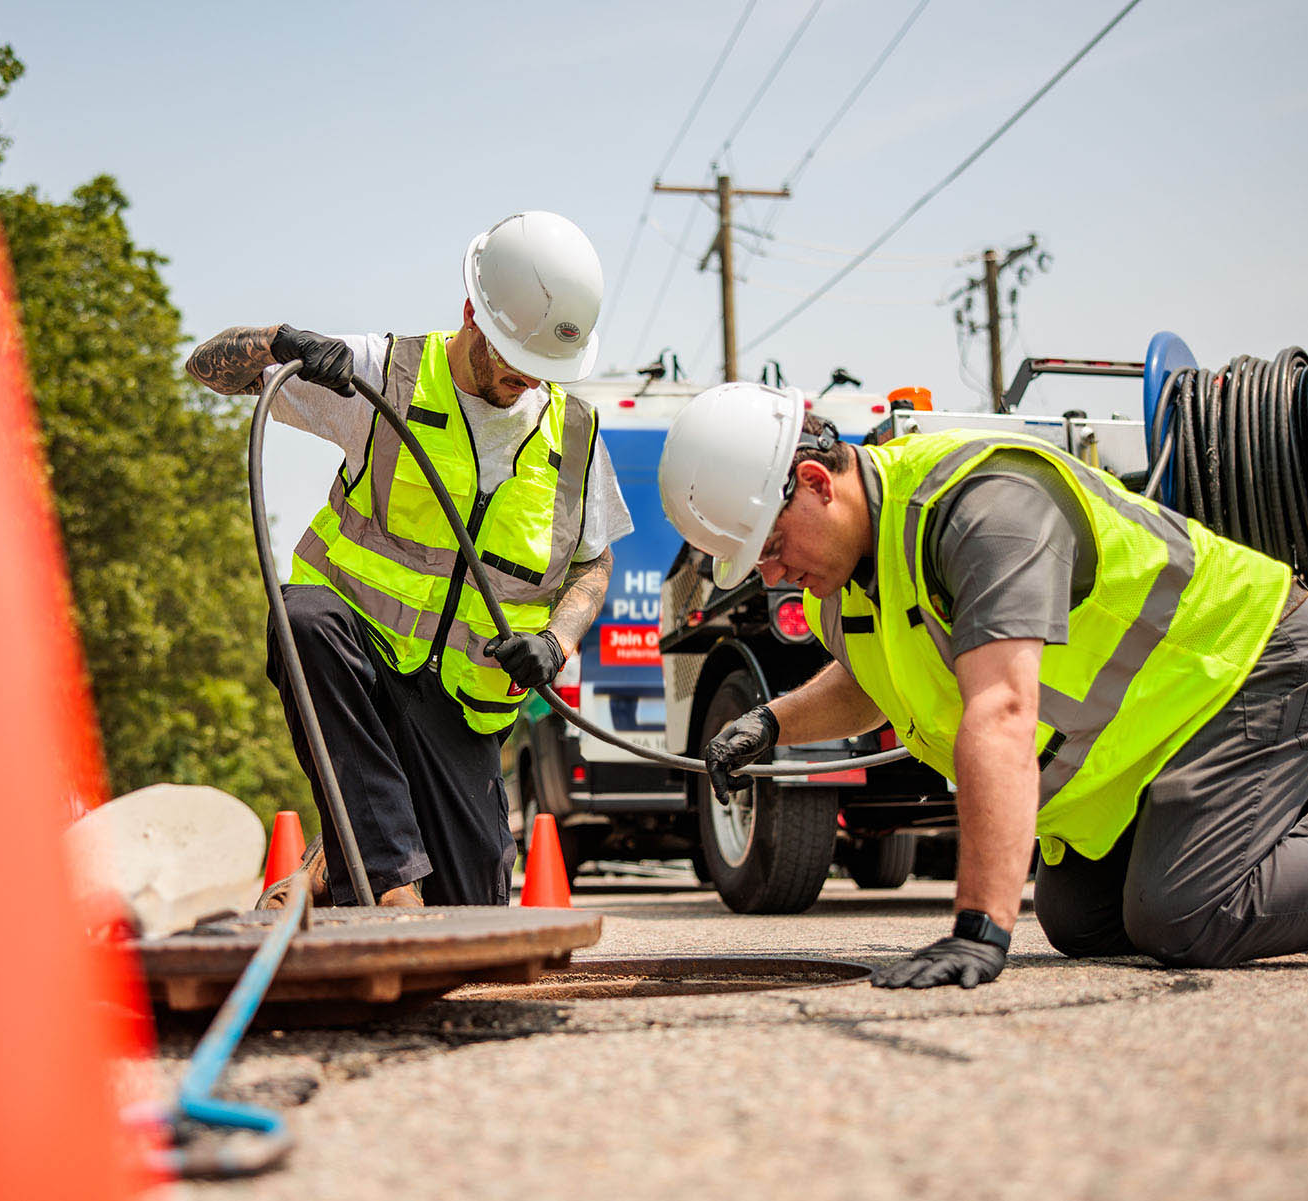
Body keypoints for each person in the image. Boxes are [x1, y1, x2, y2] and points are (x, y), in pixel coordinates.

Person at [659, 381, 1308, 988]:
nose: (772, 574)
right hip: (1165, 724)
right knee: (1082, 923)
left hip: (1242, 660)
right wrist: (770, 724)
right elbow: (870, 682)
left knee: (1186, 915)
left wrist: (978, 926)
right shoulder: (844, 581)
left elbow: (1000, 710)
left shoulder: (981, 505)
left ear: (813, 482)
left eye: (770, 545)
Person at [186, 212, 631, 907]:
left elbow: (593, 564)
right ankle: (391, 884)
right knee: (300, 617)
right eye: (517, 363)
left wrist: (556, 639)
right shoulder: (383, 375)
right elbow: (206, 368)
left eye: (544, 369)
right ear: (471, 317)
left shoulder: (573, 434)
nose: (529, 383)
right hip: (355, 665)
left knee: (473, 913)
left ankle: (335, 858)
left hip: (460, 707)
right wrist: (281, 340)